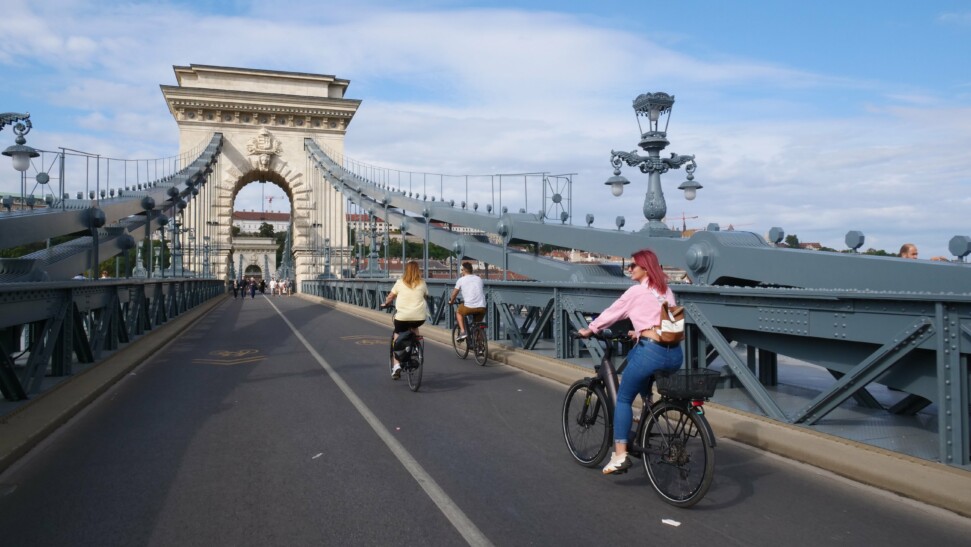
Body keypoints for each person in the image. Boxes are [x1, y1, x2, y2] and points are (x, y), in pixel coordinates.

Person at [577, 248, 683, 475]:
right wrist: (639, 331)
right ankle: (644, 417)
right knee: (640, 371)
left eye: (633, 266)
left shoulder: (636, 291)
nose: (629, 269)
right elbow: (663, 322)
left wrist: (591, 329)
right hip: (674, 354)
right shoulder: (667, 290)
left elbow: (613, 312)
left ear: (645, 268)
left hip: (651, 352)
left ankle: (620, 454)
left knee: (624, 397)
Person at [382, 261, 429, 380]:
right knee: (414, 326)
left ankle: (396, 365)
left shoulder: (399, 282)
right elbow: (425, 296)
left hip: (402, 318)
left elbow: (391, 297)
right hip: (419, 318)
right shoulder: (422, 283)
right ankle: (415, 345)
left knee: (397, 334)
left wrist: (386, 303)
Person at [448, 261, 486, 341]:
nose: (461, 272)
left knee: (458, 312)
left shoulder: (461, 280)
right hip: (482, 307)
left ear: (464, 270)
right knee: (478, 325)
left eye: (462, 270)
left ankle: (462, 332)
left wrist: (451, 301)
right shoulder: (479, 279)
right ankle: (480, 347)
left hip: (469, 307)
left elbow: (454, 294)